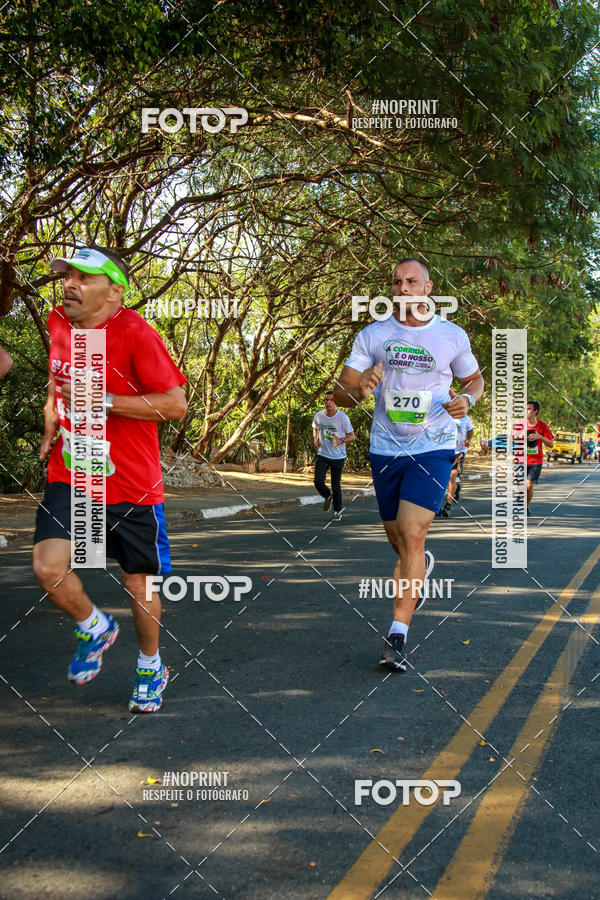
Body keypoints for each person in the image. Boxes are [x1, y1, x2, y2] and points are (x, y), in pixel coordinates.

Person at [33, 246, 187, 712]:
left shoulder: (135, 331)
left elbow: (175, 404)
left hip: (130, 482)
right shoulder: (60, 322)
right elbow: (55, 381)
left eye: (84, 278)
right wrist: (51, 421)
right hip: (73, 471)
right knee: (48, 567)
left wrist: (102, 401)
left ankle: (149, 665)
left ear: (115, 292)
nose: (69, 285)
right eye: (67, 276)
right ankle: (95, 626)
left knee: (138, 586)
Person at [334, 258, 483, 671]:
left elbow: (474, 380)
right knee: (398, 541)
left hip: (433, 446)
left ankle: (397, 635)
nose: (402, 288)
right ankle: (418, 571)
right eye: (396, 282)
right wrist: (358, 390)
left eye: (411, 281)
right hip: (385, 448)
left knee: (412, 534)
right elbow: (341, 392)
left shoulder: (451, 335)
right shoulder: (373, 335)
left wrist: (467, 399)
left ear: (428, 287)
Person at [312, 390, 355, 520]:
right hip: (323, 454)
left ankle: (337, 511)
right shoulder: (319, 416)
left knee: (335, 485)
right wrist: (315, 441)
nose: (328, 402)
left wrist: (341, 440)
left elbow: (352, 436)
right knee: (318, 481)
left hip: (338, 456)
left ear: (336, 402)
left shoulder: (343, 418)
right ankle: (327, 496)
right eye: (326, 400)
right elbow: (315, 427)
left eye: (331, 400)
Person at [440, 412, 473, 516]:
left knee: (451, 477)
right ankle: (457, 487)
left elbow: (470, 430)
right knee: (443, 478)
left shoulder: (465, 418)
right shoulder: (444, 416)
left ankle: (447, 507)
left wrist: (468, 439)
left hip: (459, 451)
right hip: (445, 450)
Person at [525, 400, 553, 510]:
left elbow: (551, 444)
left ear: (535, 411)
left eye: (529, 409)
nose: (526, 411)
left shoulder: (543, 426)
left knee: (529, 485)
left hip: (535, 461)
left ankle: (526, 507)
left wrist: (540, 437)